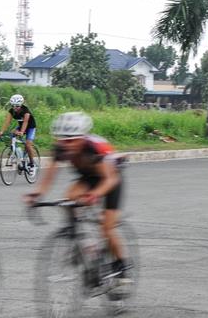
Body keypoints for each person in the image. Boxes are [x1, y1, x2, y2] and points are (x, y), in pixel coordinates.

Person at [25, 112, 132, 284]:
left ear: (83, 137)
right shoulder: (60, 148)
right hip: (87, 177)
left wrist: (95, 195)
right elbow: (50, 174)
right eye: (61, 139)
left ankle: (122, 265)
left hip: (110, 179)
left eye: (71, 140)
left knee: (107, 227)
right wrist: (38, 192)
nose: (66, 144)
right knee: (68, 200)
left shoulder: (94, 147)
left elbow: (109, 179)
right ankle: (79, 237)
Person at [0, 94, 37, 172]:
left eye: (17, 106)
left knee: (28, 144)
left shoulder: (26, 111)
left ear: (21, 105)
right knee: (12, 136)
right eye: (13, 106)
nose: (15, 108)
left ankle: (32, 164)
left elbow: (25, 122)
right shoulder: (11, 111)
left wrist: (21, 132)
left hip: (30, 127)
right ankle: (18, 156)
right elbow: (7, 122)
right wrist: (1, 131)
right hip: (21, 127)